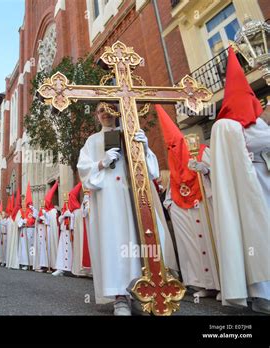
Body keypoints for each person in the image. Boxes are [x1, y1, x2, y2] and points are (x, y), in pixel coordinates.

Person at [77, 102, 159, 315]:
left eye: (109, 109)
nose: (105, 114)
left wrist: (146, 148)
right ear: (96, 115)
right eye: (101, 111)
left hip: (131, 195)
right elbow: (83, 170)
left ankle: (141, 292)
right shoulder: (92, 140)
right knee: (113, 242)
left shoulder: (130, 134)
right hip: (107, 199)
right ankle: (119, 297)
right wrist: (102, 163)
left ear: (117, 111)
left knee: (137, 241)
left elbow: (152, 172)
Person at [210, 48, 270, 314]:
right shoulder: (226, 126)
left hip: (264, 178)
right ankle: (261, 293)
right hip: (247, 188)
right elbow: (254, 141)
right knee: (254, 234)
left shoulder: (257, 122)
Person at [156, 105, 220, 299]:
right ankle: (203, 283)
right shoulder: (173, 164)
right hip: (184, 210)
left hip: (204, 204)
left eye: (175, 145)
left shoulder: (201, 151)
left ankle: (221, 284)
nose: (173, 150)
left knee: (212, 242)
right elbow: (173, 187)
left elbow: (220, 174)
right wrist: (169, 203)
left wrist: (205, 170)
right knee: (192, 247)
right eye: (170, 147)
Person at [70, 183, 92, 277]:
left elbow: (86, 212)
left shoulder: (91, 200)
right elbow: (84, 213)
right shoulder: (79, 208)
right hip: (85, 229)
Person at [52, 194, 74, 277]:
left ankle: (71, 269)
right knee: (61, 251)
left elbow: (75, 222)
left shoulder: (73, 211)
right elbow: (59, 221)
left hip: (70, 233)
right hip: (64, 233)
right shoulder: (63, 212)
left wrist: (71, 216)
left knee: (70, 250)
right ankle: (60, 268)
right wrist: (64, 215)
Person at [17, 182, 36, 270]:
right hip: (24, 230)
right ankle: (25, 263)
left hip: (31, 230)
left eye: (25, 202)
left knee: (32, 247)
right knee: (24, 247)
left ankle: (33, 262)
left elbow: (37, 217)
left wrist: (33, 209)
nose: (24, 204)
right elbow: (17, 221)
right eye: (22, 202)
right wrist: (22, 221)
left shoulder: (32, 210)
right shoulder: (20, 211)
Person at [43, 181, 59, 273]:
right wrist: (45, 215)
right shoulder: (48, 211)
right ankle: (50, 265)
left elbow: (51, 221)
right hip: (48, 231)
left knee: (53, 246)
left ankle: (55, 265)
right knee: (49, 248)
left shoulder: (53, 211)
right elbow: (46, 222)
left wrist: (46, 215)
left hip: (53, 231)